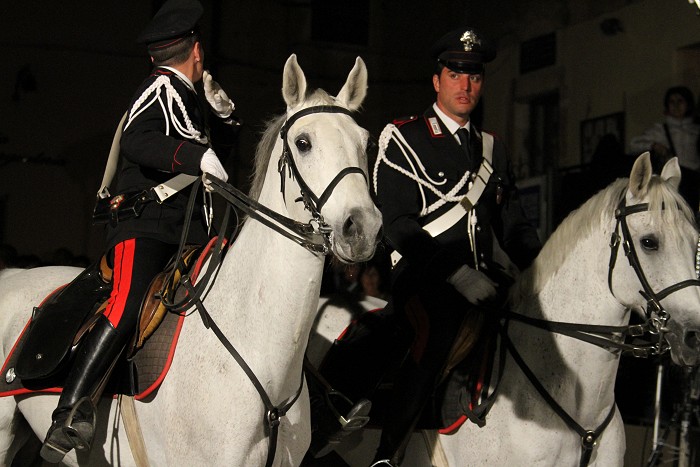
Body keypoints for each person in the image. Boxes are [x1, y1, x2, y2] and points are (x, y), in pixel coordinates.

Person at [317, 27, 542, 466]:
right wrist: (456, 274)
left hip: (487, 280)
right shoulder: (403, 137)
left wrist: (542, 272)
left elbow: (514, 227)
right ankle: (388, 454)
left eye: (474, 75)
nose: (465, 85)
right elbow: (397, 224)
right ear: (437, 81)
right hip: (425, 280)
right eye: (455, 74)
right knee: (438, 328)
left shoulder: (492, 148)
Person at [39, 0, 239, 462]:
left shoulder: (188, 98)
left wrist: (227, 122)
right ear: (197, 51)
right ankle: (68, 413)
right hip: (146, 226)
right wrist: (195, 156)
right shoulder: (159, 88)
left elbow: (214, 162)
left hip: (188, 231)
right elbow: (138, 140)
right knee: (127, 303)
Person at [630, 85, 700, 210]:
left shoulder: (696, 129)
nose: (676, 106)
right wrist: (653, 145)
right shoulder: (660, 130)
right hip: (675, 181)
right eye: (672, 102)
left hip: (695, 180)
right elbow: (633, 144)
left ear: (688, 104)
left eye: (680, 101)